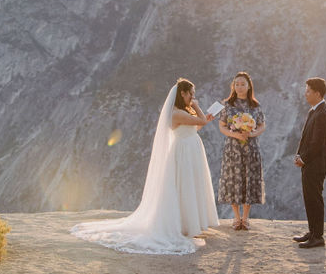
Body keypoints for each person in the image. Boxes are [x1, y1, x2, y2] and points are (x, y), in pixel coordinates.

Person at [72, 79, 218, 254]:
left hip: (191, 149)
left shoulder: (182, 113)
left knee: (190, 185)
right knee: (184, 186)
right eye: (191, 94)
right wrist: (197, 108)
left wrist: (203, 117)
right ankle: (185, 225)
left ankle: (189, 223)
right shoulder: (176, 113)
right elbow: (200, 120)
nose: (193, 97)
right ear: (183, 94)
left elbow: (196, 126)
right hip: (184, 153)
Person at [218, 71, 265, 230]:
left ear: (249, 86)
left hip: (250, 147)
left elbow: (262, 125)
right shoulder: (227, 104)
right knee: (233, 179)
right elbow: (222, 125)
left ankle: (245, 218)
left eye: (242, 84)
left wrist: (251, 133)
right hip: (233, 148)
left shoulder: (255, 105)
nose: (239, 87)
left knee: (248, 179)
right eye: (236, 84)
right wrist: (234, 134)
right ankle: (236, 218)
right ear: (233, 86)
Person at [293, 77, 326, 249]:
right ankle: (312, 231)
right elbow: (306, 138)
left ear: (317, 93)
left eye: (308, 91)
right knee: (309, 198)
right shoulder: (315, 111)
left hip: (316, 165)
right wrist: (299, 154)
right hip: (310, 163)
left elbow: (317, 143)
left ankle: (318, 236)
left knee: (315, 199)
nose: (305, 94)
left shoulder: (323, 114)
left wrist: (304, 158)